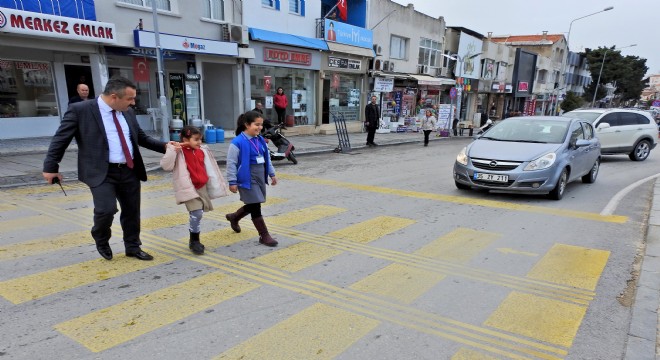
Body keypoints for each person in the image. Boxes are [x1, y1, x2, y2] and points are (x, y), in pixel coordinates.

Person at [43, 76, 174, 261]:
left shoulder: (127, 112)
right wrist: (51, 167)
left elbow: (140, 137)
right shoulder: (81, 110)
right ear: (114, 97)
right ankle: (101, 238)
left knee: (132, 211)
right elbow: (60, 139)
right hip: (100, 171)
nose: (133, 103)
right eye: (129, 99)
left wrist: (165, 146)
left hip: (129, 169)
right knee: (106, 209)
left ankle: (133, 246)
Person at [160, 126, 228, 255]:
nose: (199, 142)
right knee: (196, 213)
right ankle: (194, 240)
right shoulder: (179, 152)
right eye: (196, 139)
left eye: (200, 139)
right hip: (188, 187)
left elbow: (210, 166)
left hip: (201, 186)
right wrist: (172, 149)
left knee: (199, 213)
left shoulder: (202, 151)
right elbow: (166, 166)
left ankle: (194, 238)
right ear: (185, 139)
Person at [225, 111, 279, 247]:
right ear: (247, 125)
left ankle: (234, 217)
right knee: (255, 205)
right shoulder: (237, 142)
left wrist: (272, 174)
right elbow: (231, 163)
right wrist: (232, 181)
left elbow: (267, 158)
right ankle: (264, 235)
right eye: (257, 124)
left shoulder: (260, 139)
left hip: (260, 175)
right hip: (246, 176)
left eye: (261, 124)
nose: (260, 127)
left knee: (254, 202)